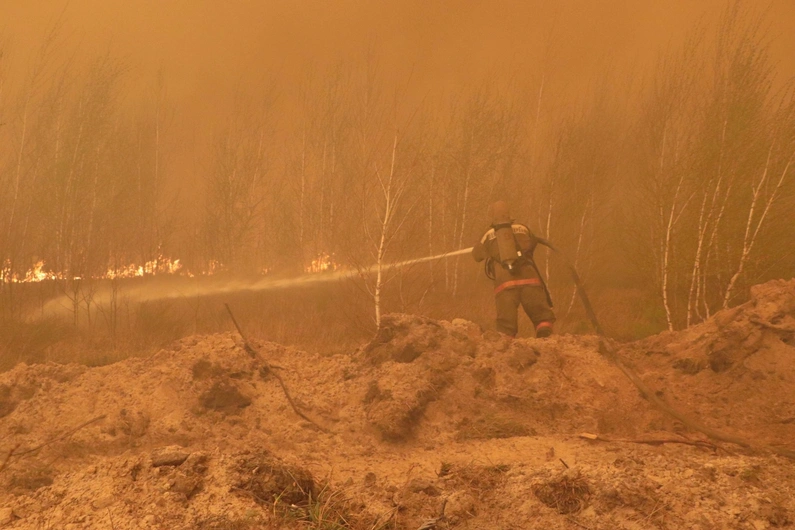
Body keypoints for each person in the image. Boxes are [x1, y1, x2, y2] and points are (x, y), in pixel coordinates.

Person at [472, 201, 555, 338]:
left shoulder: (488, 234)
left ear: (492, 216)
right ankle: (546, 342)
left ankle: (507, 348)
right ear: (509, 215)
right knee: (542, 318)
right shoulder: (523, 228)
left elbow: (476, 255)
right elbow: (533, 243)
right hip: (530, 280)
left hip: (505, 285)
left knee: (506, 327)